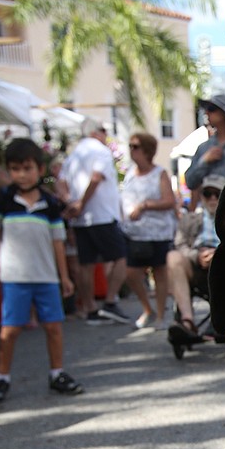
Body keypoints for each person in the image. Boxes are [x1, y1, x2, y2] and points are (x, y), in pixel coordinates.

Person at [0, 137, 83, 402]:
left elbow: (58, 243)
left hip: (46, 277)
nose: (21, 174)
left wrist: (64, 277)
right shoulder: (4, 201)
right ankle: (2, 377)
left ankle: (57, 373)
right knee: (9, 331)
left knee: (54, 327)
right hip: (14, 277)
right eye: (15, 168)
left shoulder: (50, 204)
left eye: (27, 168)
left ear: (39, 169)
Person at [61, 118, 131, 323]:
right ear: (96, 132)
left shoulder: (72, 155)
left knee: (86, 264)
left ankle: (91, 308)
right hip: (101, 215)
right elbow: (96, 177)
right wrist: (80, 203)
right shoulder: (100, 151)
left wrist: (71, 203)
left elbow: (61, 182)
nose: (105, 135)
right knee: (120, 257)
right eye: (103, 131)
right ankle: (110, 302)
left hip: (82, 220)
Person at [120, 131, 177, 329]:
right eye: (130, 146)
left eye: (135, 147)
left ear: (147, 150)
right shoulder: (129, 175)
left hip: (158, 231)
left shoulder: (159, 173)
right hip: (134, 232)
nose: (132, 151)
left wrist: (145, 205)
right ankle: (147, 309)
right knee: (131, 273)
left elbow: (169, 201)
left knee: (159, 273)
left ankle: (161, 315)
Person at [166, 175, 224, 340]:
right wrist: (197, 256)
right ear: (201, 196)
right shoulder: (189, 219)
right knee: (173, 257)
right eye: (207, 193)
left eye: (217, 194)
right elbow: (179, 244)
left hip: (223, 265)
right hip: (195, 266)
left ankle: (220, 320)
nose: (212, 198)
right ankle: (187, 321)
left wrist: (218, 255)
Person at [183, 94, 225, 208]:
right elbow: (190, 181)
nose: (206, 113)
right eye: (205, 109)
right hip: (208, 215)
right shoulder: (203, 148)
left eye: (211, 109)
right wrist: (204, 161)